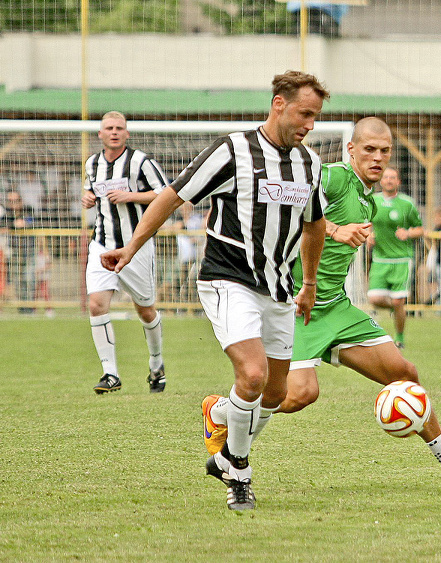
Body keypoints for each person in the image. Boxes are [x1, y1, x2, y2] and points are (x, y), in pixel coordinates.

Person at [201, 117, 441, 492]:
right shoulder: (331, 178)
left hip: (337, 308)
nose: (377, 158)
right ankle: (220, 413)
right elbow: (291, 210)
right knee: (299, 395)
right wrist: (333, 230)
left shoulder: (369, 200)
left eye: (384, 151)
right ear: (351, 150)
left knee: (404, 372)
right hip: (299, 304)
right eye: (369, 150)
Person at [101, 71, 329, 511]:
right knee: (253, 374)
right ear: (278, 104)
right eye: (305, 114)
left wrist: (310, 283)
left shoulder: (310, 164)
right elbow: (172, 196)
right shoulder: (232, 150)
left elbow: (314, 225)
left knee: (276, 394)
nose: (311, 125)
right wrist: (131, 247)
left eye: (316, 117)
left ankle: (221, 423)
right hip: (228, 279)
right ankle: (238, 471)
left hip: (279, 288)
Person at [81, 111, 169, 394]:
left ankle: (156, 364)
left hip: (136, 246)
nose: (115, 132)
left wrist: (132, 195)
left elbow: (167, 193)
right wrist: (87, 198)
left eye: (120, 128)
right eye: (109, 128)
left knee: (145, 309)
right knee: (97, 304)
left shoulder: (140, 162)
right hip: (102, 243)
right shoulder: (92, 163)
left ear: (127, 133)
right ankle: (110, 373)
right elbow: (90, 192)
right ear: (100, 133)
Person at [367, 166, 424, 348]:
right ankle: (396, 309)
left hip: (401, 259)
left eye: (393, 177)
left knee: (399, 300)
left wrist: (408, 233)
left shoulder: (407, 203)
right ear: (381, 181)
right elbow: (364, 222)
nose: (389, 180)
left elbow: (420, 229)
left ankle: (399, 338)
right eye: (386, 177)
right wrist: (368, 234)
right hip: (380, 258)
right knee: (375, 299)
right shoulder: (373, 201)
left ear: (398, 182)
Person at [0, 190, 37, 313]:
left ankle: (29, 305)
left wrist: (18, 224)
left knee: (28, 278)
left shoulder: (28, 209)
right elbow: (4, 224)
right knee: (18, 279)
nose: (13, 203)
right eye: (10, 201)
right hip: (14, 251)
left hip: (29, 250)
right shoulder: (8, 214)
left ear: (20, 200)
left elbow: (30, 221)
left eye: (15, 200)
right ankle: (22, 305)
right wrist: (14, 224)